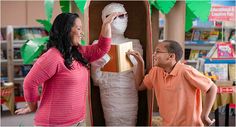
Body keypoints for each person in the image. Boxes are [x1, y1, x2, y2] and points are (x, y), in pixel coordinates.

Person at [14, 12, 125, 126]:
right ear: (66, 30)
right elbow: (30, 82)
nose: (81, 33)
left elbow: (102, 48)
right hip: (54, 123)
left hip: (78, 121)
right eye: (78, 28)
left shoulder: (79, 52)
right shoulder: (52, 56)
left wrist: (106, 24)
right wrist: (32, 107)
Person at [127, 40, 217, 126]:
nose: (153, 55)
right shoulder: (155, 72)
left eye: (157, 52)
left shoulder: (185, 71)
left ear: (171, 56)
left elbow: (212, 88)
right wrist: (140, 63)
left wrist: (204, 115)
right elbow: (139, 86)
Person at [91, 3, 143, 126]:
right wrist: (98, 62)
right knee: (112, 122)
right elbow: (96, 80)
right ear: (105, 19)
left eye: (122, 16)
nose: (119, 20)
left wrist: (136, 62)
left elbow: (140, 80)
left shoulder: (134, 44)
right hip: (109, 93)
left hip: (129, 93)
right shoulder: (97, 44)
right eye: (114, 16)